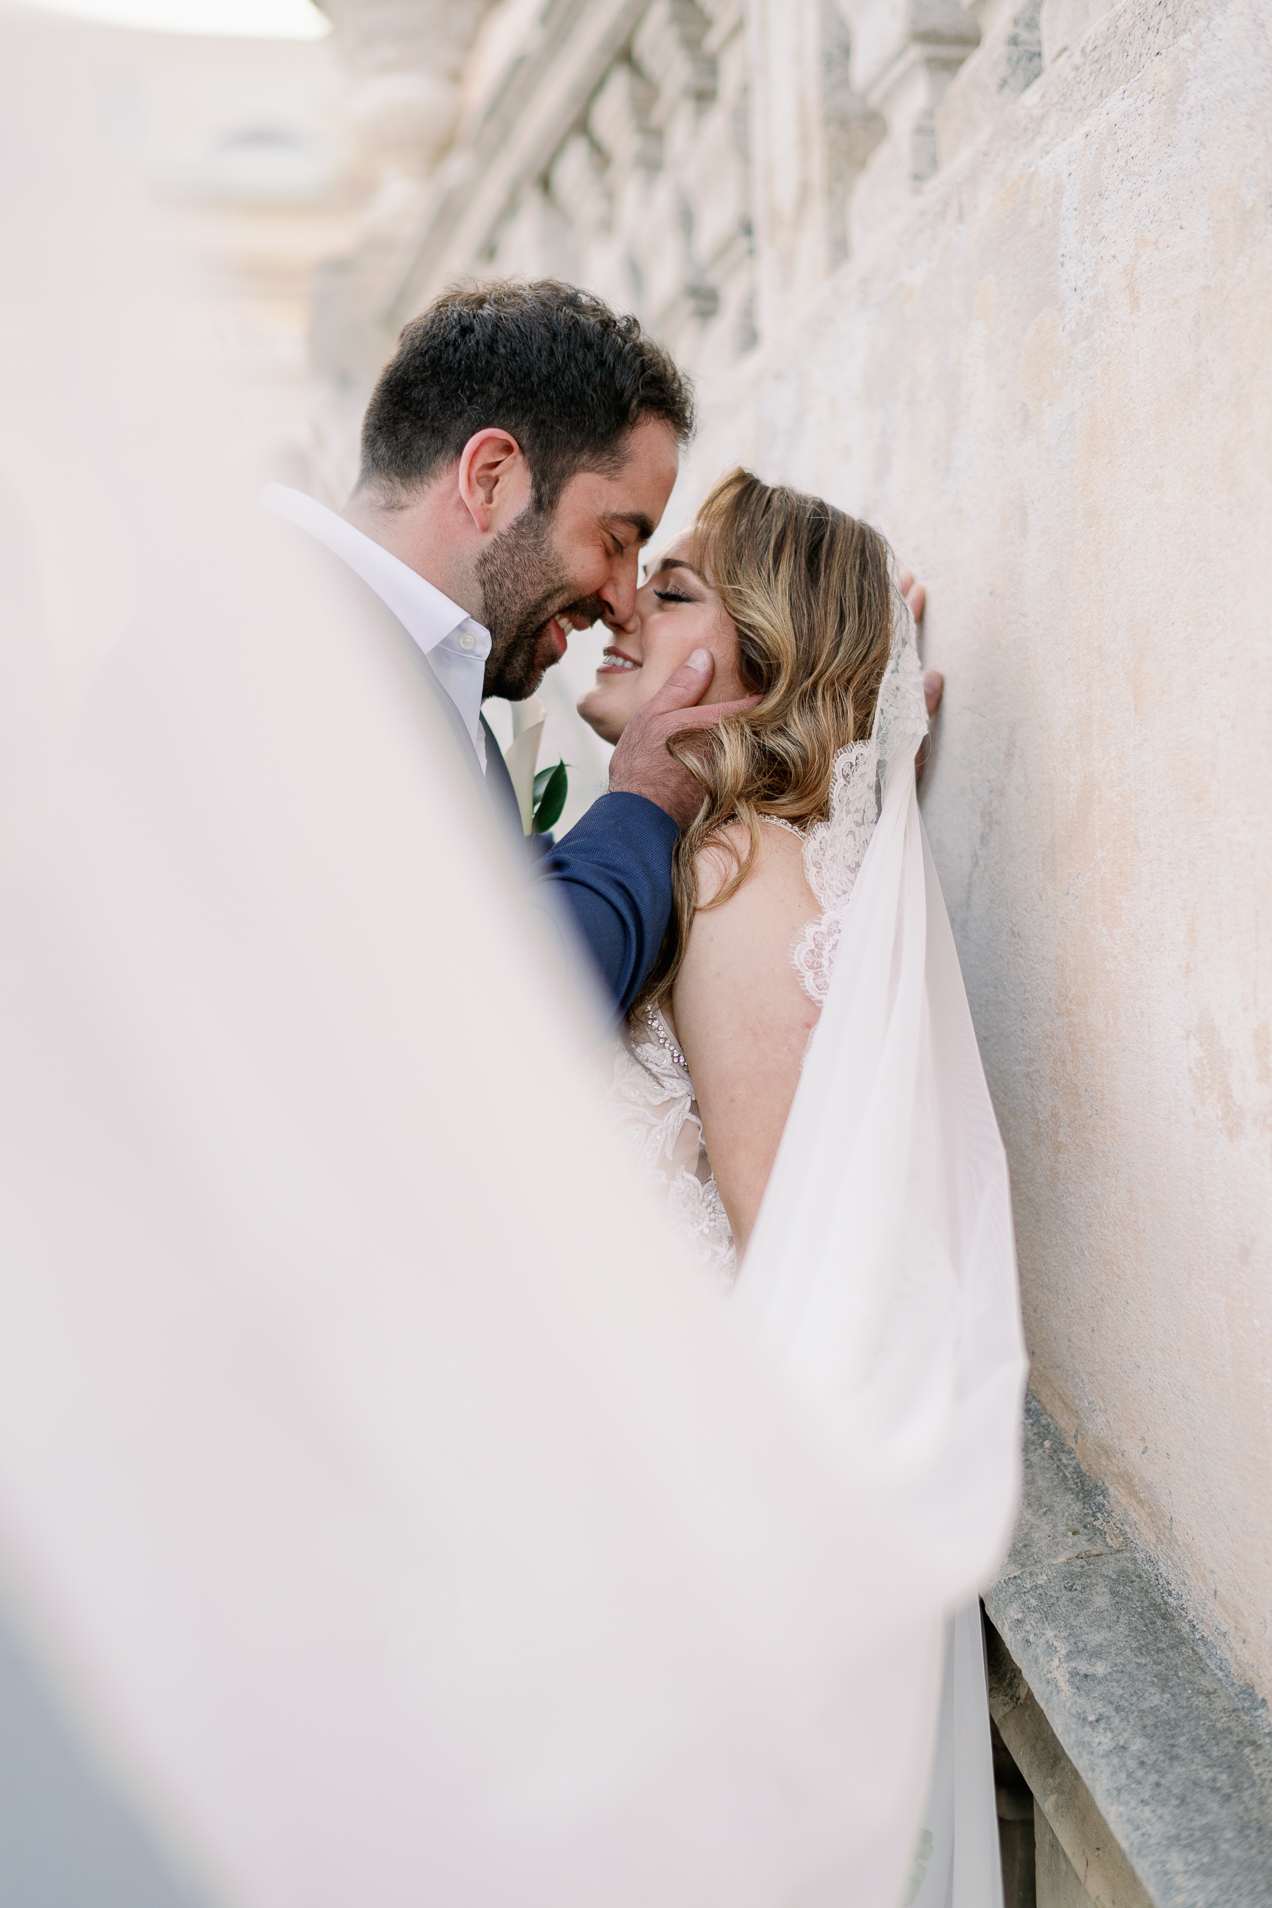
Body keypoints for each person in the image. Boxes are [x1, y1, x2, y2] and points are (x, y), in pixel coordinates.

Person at [583, 467, 1027, 1904]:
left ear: (759, 655)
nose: (623, 607)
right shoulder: (740, 866)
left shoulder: (730, 874)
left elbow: (798, 1275)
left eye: (673, 587)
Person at [263, 278, 758, 1018]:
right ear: (490, 478)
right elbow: (494, 1016)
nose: (624, 599)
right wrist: (646, 802)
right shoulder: (280, 641)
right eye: (615, 541)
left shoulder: (440, 679)